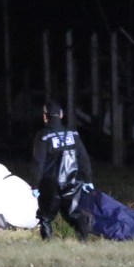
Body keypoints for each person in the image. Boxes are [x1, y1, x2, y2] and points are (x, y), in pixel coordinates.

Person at [31, 101, 95, 241]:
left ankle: (48, 244)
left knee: (46, 217)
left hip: (50, 184)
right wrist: (88, 180)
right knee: (73, 214)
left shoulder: (43, 136)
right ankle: (83, 241)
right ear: (61, 115)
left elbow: (38, 163)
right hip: (72, 181)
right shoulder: (73, 134)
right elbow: (83, 157)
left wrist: (35, 185)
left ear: (45, 117)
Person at [0, 162, 39, 230]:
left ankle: (0, 228)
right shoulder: (18, 180)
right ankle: (19, 227)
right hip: (35, 220)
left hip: (23, 220)